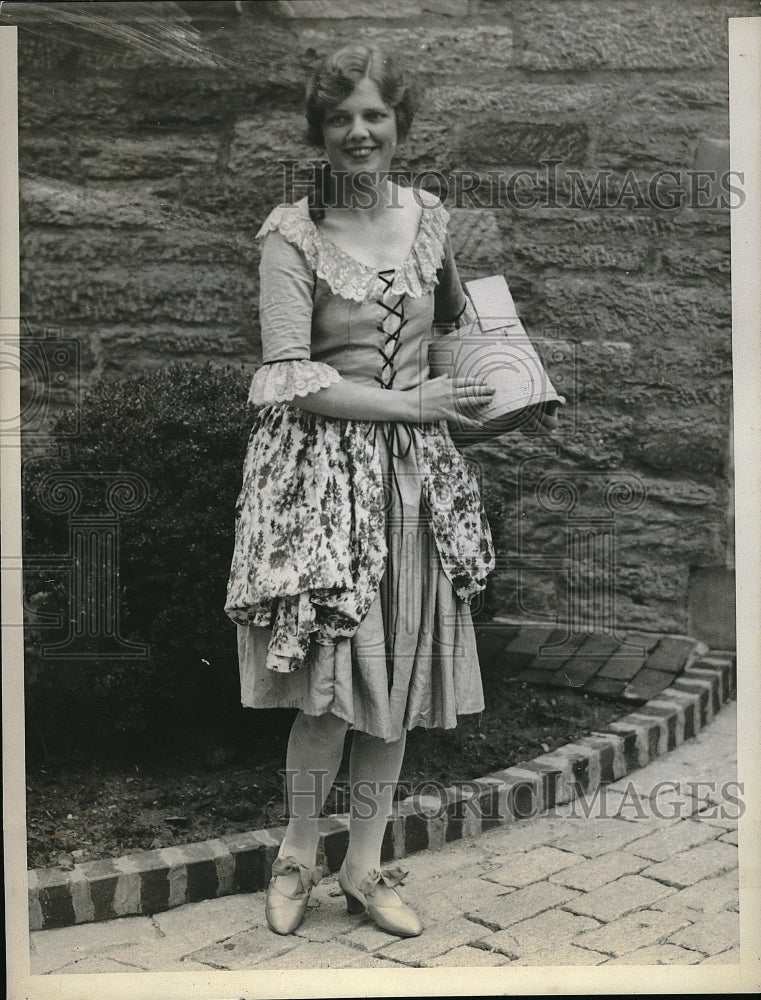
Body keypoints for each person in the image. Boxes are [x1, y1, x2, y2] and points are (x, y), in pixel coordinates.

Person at [224, 43, 557, 939]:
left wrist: (500, 392)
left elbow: (453, 335)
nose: (359, 132)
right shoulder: (289, 233)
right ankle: (297, 854)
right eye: (340, 118)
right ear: (319, 132)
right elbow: (290, 375)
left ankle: (364, 869)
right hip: (324, 485)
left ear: (400, 126)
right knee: (332, 693)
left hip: (417, 485)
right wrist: (417, 403)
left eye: (375, 115)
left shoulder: (431, 219)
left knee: (399, 686)